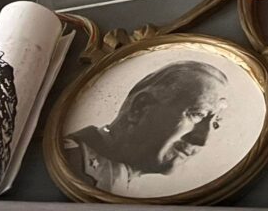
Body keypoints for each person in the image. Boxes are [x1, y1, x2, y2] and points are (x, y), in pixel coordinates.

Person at [63, 61, 228, 194]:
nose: (204, 140)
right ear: (140, 108)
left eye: (216, 123)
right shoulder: (70, 160)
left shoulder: (123, 182)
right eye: (197, 114)